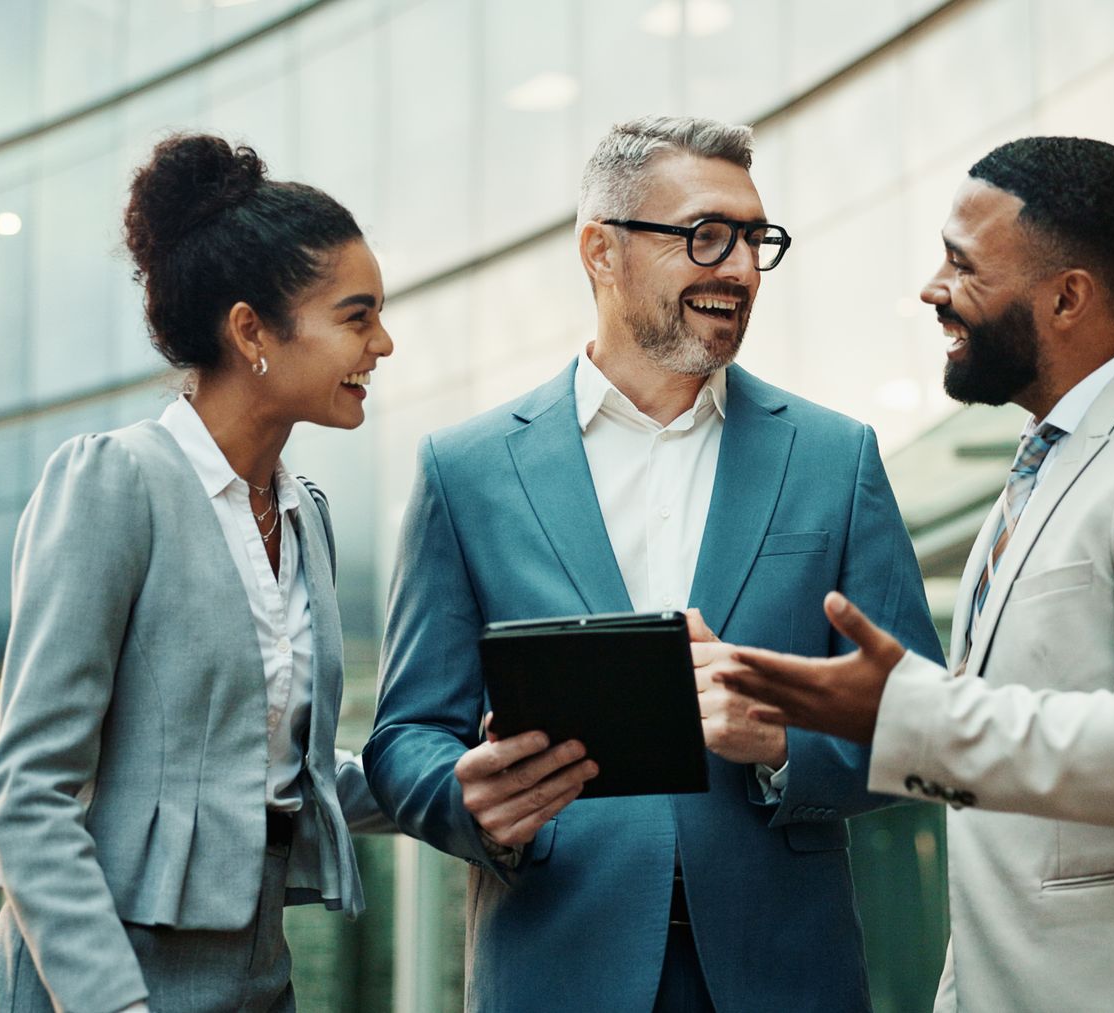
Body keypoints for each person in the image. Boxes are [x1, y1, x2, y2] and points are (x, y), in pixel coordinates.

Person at [718, 136, 1114, 1011]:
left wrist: (904, 712)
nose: (933, 290)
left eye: (963, 265)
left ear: (1067, 296)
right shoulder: (1043, 467)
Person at [363, 115, 941, 1013]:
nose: (743, 269)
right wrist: (468, 798)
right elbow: (404, 735)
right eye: (708, 236)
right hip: (558, 964)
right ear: (601, 251)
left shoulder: (837, 456)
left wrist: (786, 743)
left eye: (757, 240)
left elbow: (925, 718)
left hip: (786, 973)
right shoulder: (466, 470)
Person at [0, 134, 394, 1013]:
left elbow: (282, 768)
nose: (384, 344)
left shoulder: (305, 512)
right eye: (358, 316)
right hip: (93, 983)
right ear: (251, 331)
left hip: (256, 977)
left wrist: (451, 777)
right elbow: (29, 793)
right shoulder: (114, 483)